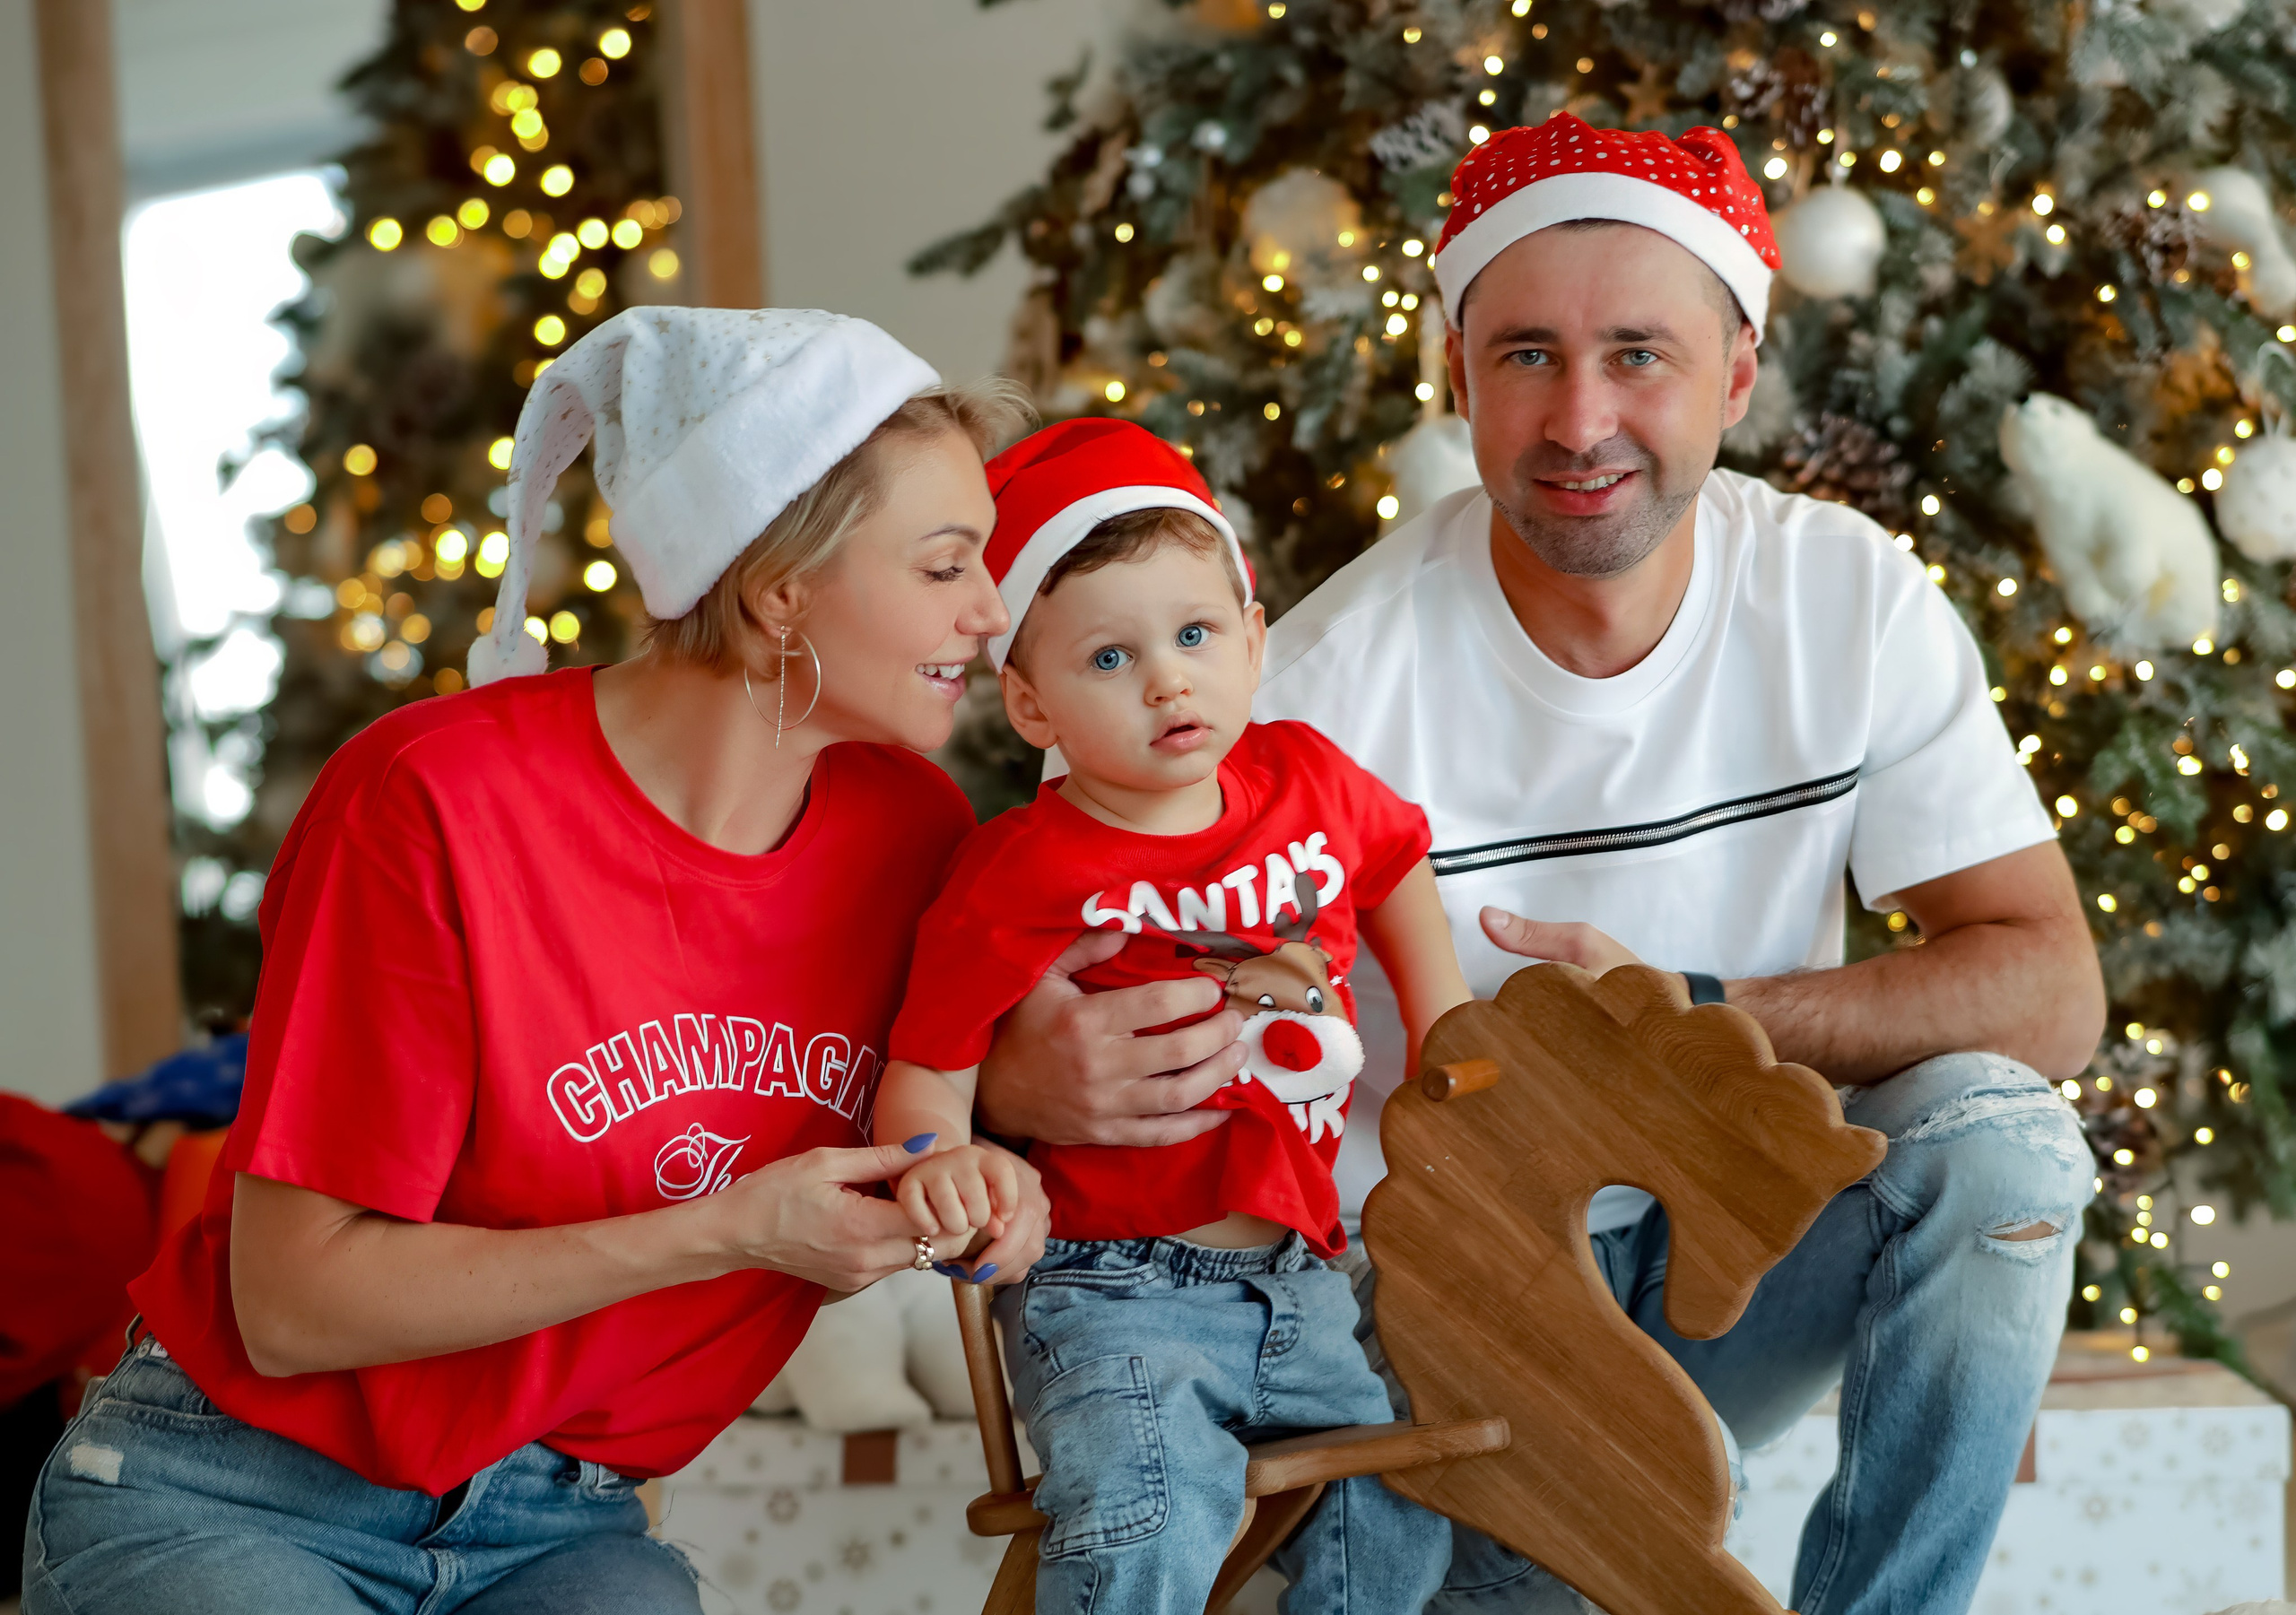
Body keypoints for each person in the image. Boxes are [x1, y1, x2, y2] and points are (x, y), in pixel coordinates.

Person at [974, 115, 2105, 1615]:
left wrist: (1695, 1017)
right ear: (1457, 374)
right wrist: (1013, 1077)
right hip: (1427, 1303)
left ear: (1738, 374)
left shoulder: (1847, 598)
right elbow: (1021, 965)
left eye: (1640, 355)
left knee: (2003, 1145)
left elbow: (2052, 991)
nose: (1581, 420)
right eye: (1526, 356)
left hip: (1722, 1247)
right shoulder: (1308, 689)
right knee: (1545, 1577)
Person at [21, 307, 1050, 1615]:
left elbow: (958, 1085)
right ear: (778, 587)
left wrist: (989, 1175)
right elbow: (290, 1304)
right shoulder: (433, 800)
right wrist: (730, 1230)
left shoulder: (917, 837)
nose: (992, 610)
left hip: (560, 1524)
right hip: (246, 1489)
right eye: (947, 564)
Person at [875, 419, 1465, 1614]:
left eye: (1195, 634)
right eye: (1110, 657)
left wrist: (1442, 1020)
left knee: (1395, 1520)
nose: (1167, 679)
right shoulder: (1021, 872)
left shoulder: (1307, 781)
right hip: (1111, 1288)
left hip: (1299, 1279)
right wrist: (938, 1162)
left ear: (1254, 638)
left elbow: (1397, 861)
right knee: (1149, 1512)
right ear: (1031, 705)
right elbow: (928, 1064)